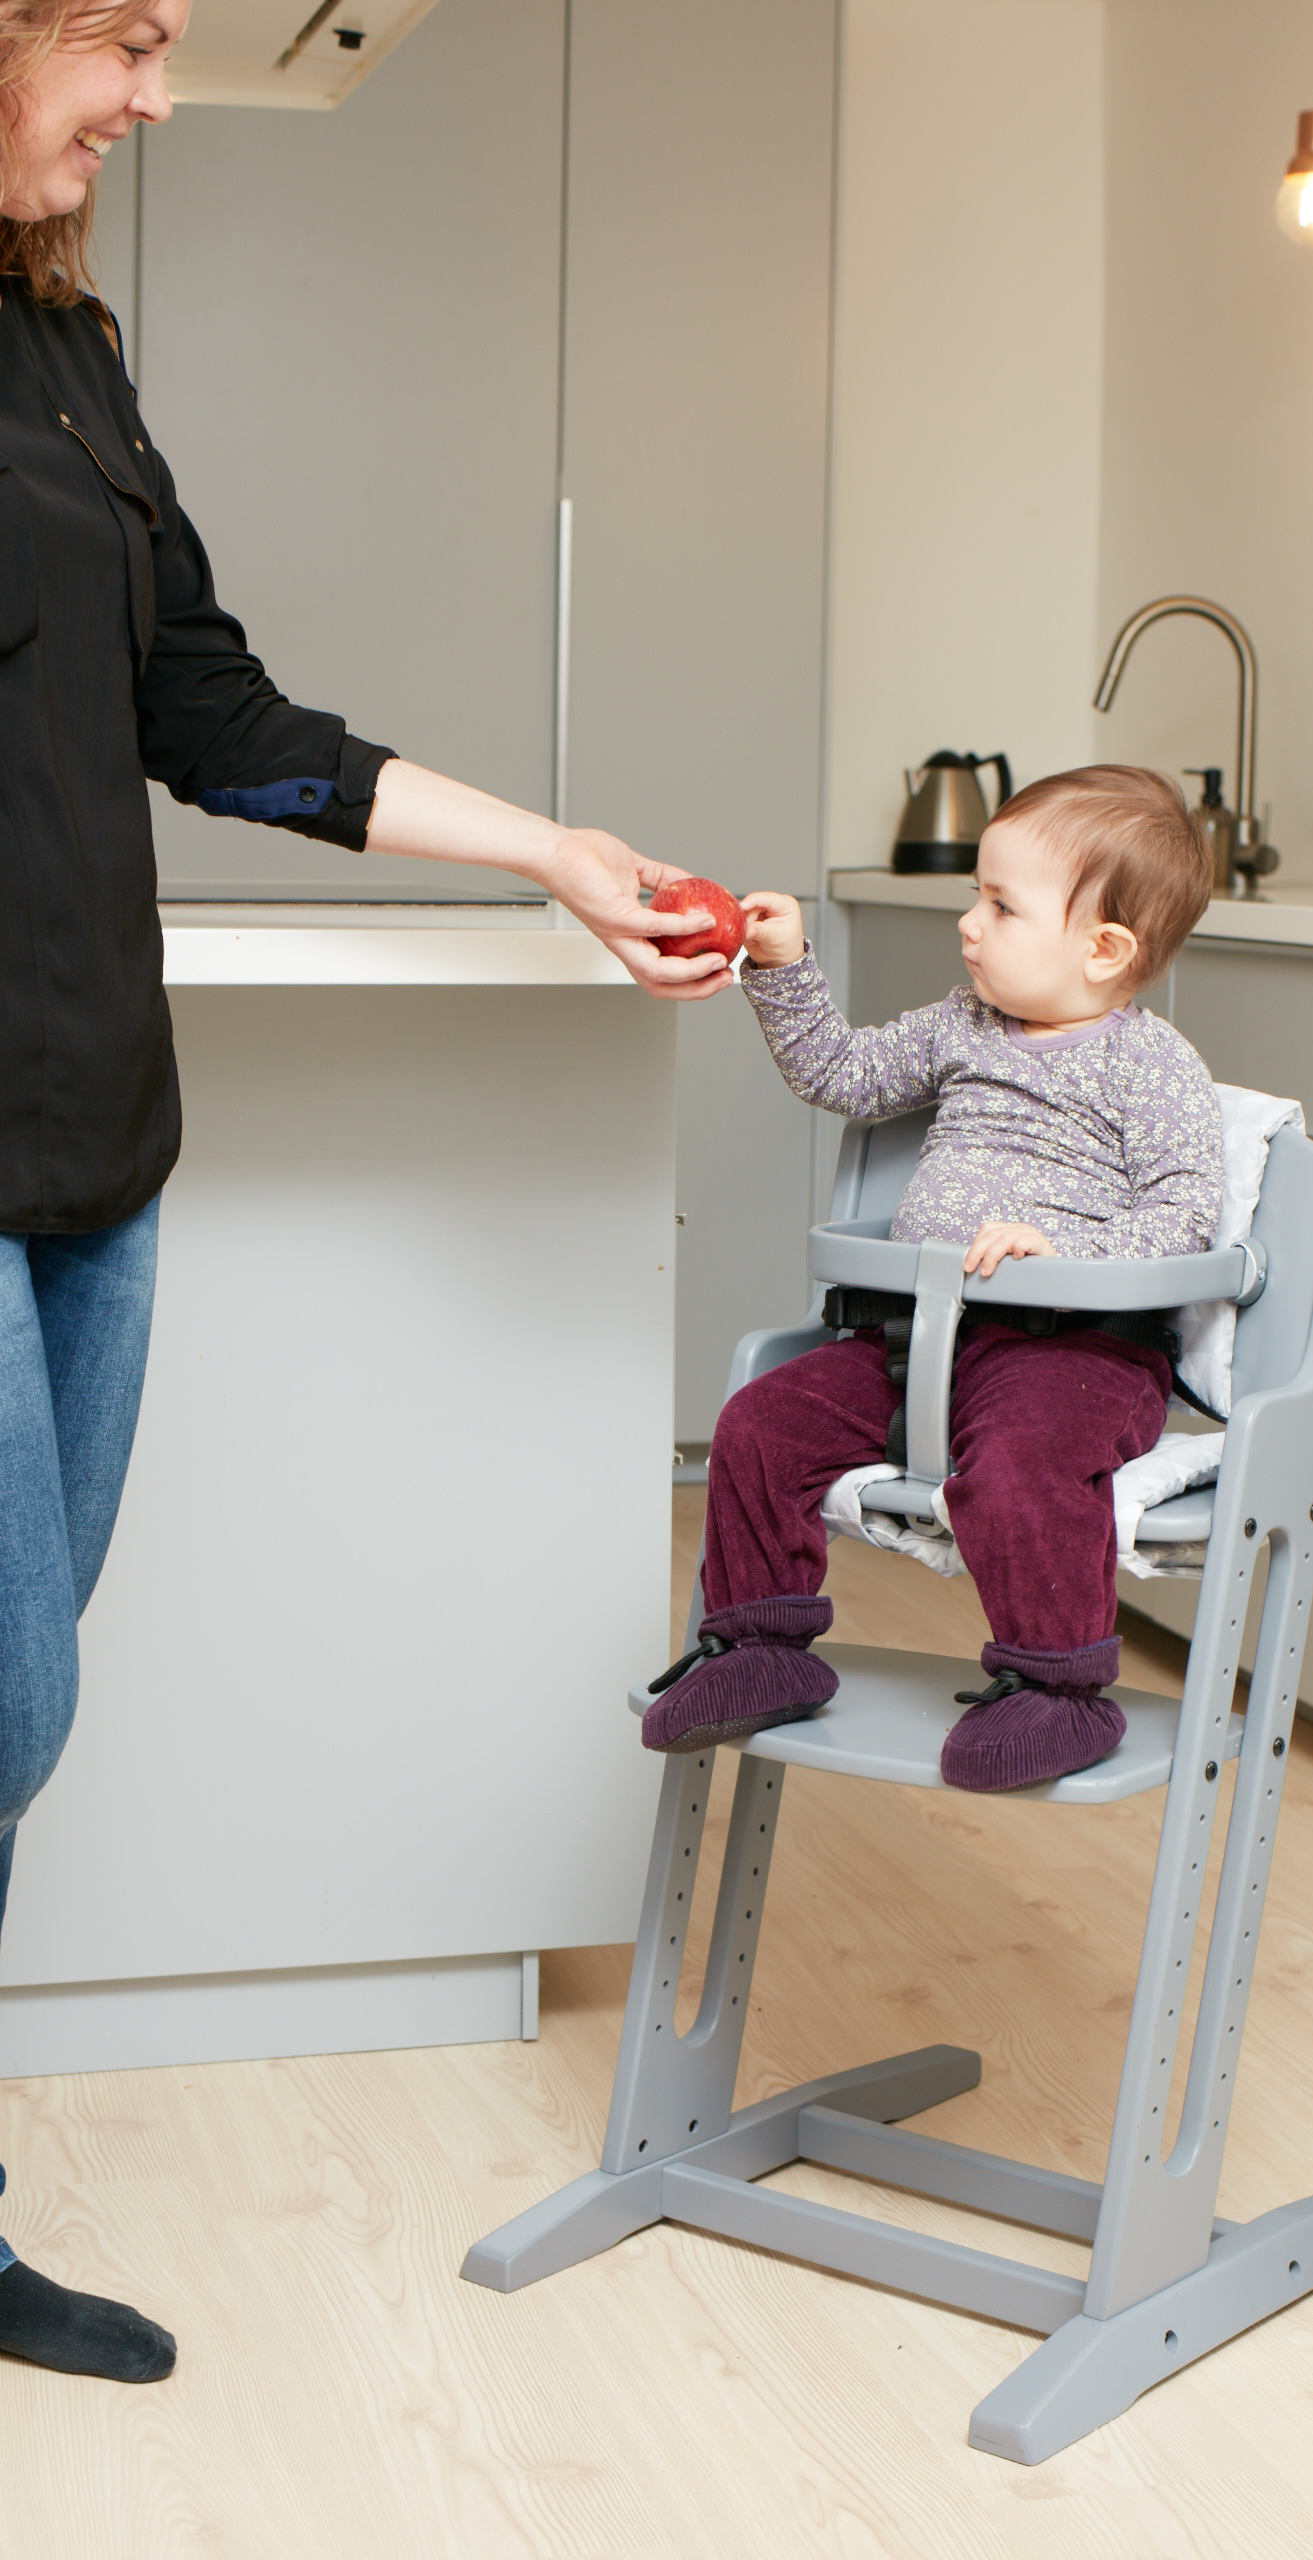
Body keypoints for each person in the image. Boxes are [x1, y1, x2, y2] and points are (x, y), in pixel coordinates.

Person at [0, 0, 729, 2389]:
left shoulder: (73, 355)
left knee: (17, 1704)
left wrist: (553, 851)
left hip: (96, 1135)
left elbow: (216, 715)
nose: (154, 95)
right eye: (119, 37)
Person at [642, 765, 1224, 1794]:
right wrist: (781, 965)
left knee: (1019, 1469)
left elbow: (1185, 1215)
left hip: (1075, 1351)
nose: (968, 923)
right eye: (976, 895)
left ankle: (1055, 1689)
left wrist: (1067, 1251)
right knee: (758, 1427)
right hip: (915, 1335)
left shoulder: (1154, 1064)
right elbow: (842, 1075)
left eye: (1001, 905)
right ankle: (764, 1646)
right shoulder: (960, 1026)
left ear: (1105, 949)